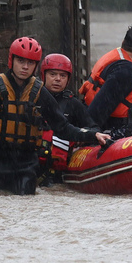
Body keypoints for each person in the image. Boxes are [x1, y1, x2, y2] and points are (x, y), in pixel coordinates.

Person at [0, 37, 110, 195]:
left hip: (25, 170)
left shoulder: (40, 93)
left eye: (30, 63)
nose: (25, 67)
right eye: (21, 61)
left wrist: (94, 135)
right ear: (12, 60)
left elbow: (63, 128)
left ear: (36, 66)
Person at [37, 53, 95, 185]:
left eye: (62, 76)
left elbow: (93, 128)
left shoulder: (73, 105)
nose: (57, 79)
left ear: (68, 79)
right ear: (43, 75)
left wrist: (82, 138)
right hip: (31, 169)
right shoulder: (31, 99)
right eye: (53, 74)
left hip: (58, 175)